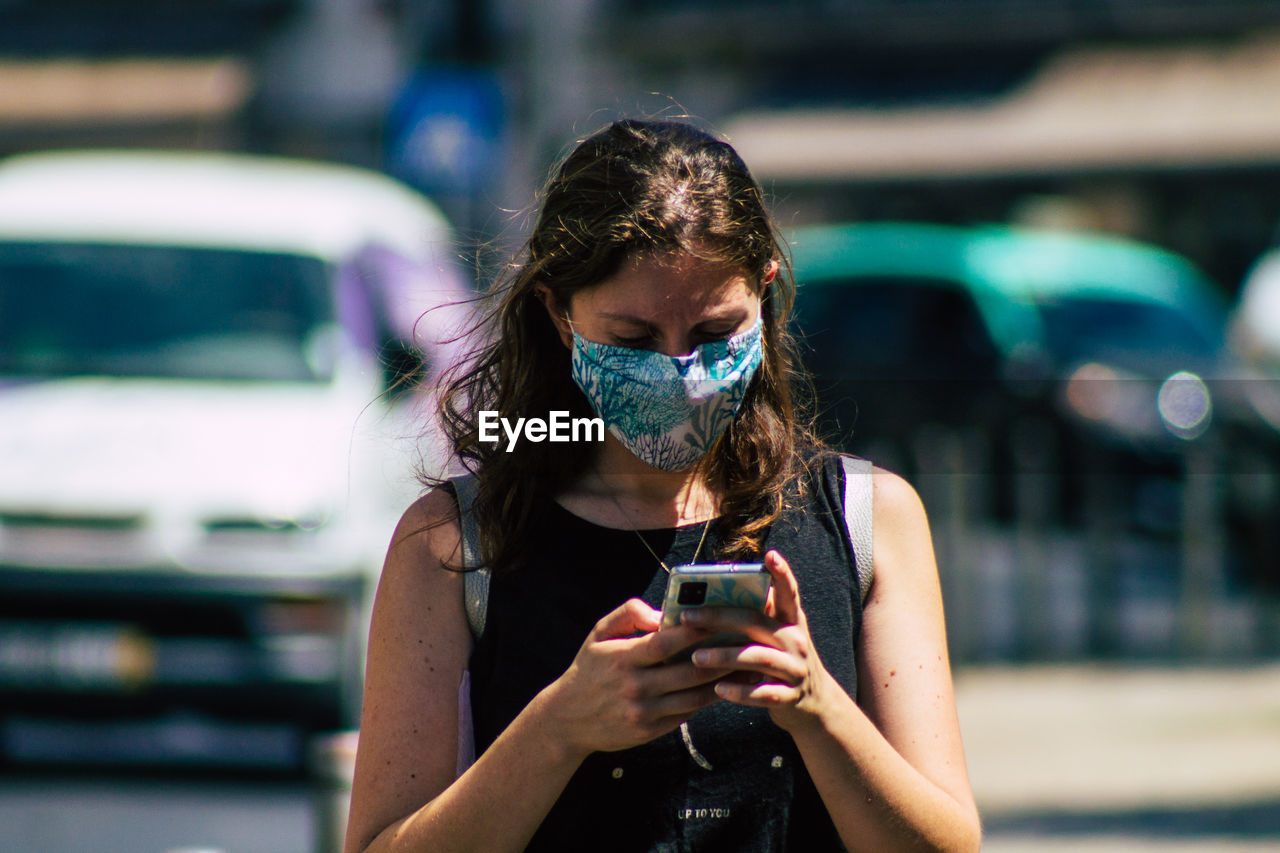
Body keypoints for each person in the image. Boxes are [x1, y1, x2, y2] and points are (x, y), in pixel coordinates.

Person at [343, 118, 982, 853]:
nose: (681, 372)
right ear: (558, 313)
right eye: (635, 339)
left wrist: (818, 707)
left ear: (765, 295)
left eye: (714, 334)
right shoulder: (455, 544)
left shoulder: (867, 519)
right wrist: (560, 727)